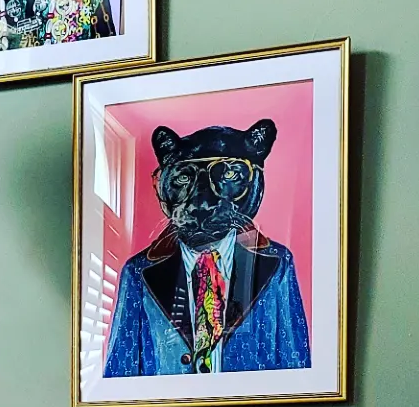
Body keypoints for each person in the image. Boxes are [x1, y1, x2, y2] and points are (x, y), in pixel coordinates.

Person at [104, 119, 311, 377]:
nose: (202, 202)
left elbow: (297, 367)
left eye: (230, 175)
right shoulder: (138, 272)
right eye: (182, 177)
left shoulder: (277, 263)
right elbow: (118, 375)